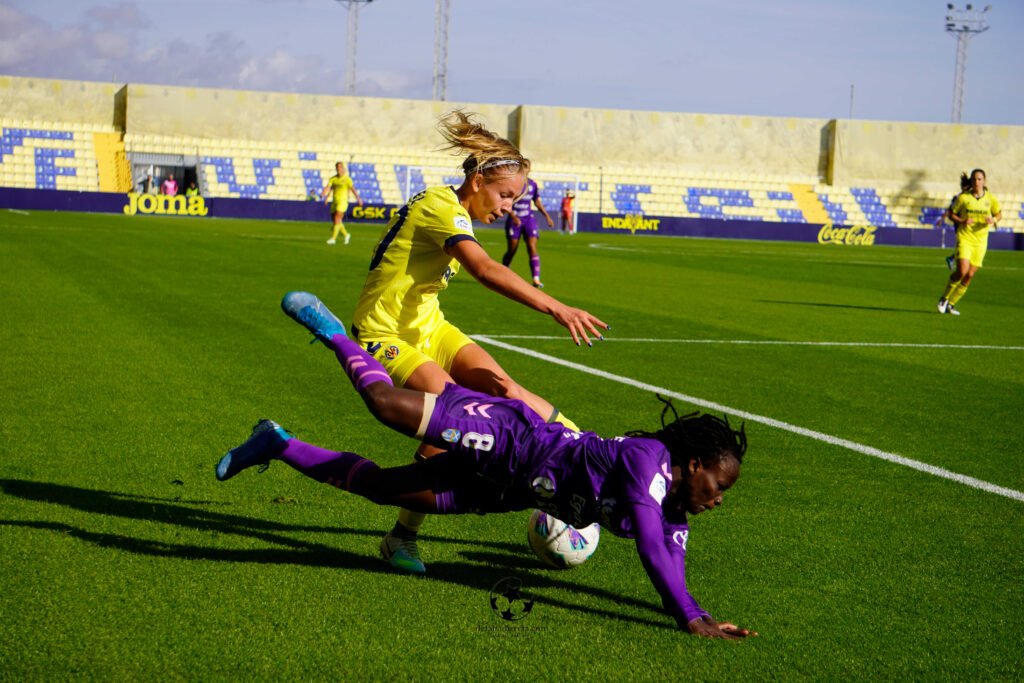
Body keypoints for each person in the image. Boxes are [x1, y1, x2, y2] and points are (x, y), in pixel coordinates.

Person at [216, 292, 756, 640]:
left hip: (506, 489)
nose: (720, 497)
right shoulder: (648, 460)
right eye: (720, 483)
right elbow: (646, 543)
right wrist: (688, 617)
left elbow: (671, 560)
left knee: (384, 489)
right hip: (509, 438)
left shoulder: (675, 514)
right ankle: (333, 331)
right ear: (694, 462)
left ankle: (278, 444)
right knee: (385, 407)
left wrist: (698, 611)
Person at [342, 109, 608, 574]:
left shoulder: (456, 210)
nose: (507, 207)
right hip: (384, 333)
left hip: (430, 327)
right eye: (505, 195)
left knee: (505, 387)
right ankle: (401, 537)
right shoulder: (439, 207)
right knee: (453, 416)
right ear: (480, 180)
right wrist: (557, 308)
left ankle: (586, 450)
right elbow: (486, 270)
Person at [936, 168, 1002, 316]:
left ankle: (951, 304)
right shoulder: (963, 198)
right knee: (962, 271)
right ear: (971, 182)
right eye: (974, 179)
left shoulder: (990, 199)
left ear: (984, 181)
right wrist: (962, 220)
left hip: (981, 242)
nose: (977, 182)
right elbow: (952, 214)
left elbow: (999, 213)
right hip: (965, 238)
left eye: (979, 179)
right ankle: (944, 298)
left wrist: (994, 219)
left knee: (970, 275)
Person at [501, 175, 554, 288]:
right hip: (514, 220)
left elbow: (537, 202)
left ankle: (536, 279)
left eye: (526, 167)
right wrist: (513, 216)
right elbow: (505, 201)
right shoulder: (513, 184)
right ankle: (503, 272)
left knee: (532, 247)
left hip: (528, 219)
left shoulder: (532, 184)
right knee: (512, 250)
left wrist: (547, 216)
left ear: (528, 169)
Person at [935, 173, 972, 271]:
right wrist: (941, 219)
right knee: (964, 244)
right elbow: (949, 210)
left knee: (966, 244)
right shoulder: (958, 197)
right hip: (959, 223)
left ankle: (952, 258)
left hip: (967, 223)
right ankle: (954, 259)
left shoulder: (970, 197)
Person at [321, 162, 363, 245]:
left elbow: (353, 189)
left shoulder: (347, 179)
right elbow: (329, 187)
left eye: (340, 167)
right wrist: (326, 196)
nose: (338, 169)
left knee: (337, 217)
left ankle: (333, 239)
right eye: (337, 168)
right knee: (335, 221)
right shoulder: (333, 179)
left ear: (343, 168)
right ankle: (346, 235)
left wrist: (358, 199)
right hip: (335, 201)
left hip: (343, 202)